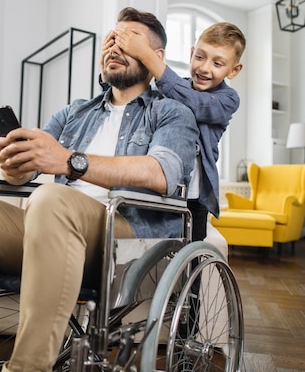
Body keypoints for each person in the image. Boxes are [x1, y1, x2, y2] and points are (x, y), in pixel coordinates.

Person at [0, 6, 199, 372]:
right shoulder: (75, 112)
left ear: (156, 57)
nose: (114, 48)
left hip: (124, 237)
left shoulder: (171, 112)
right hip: (50, 229)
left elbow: (161, 172)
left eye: (128, 41)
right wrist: (15, 164)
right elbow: (31, 168)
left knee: (53, 198)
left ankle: (27, 368)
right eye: (110, 40)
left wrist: (71, 161)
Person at [101, 21, 245, 241]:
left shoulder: (228, 100)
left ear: (233, 70)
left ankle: (192, 275)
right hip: (166, 188)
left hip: (195, 195)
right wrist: (107, 75)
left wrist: (147, 55)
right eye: (200, 57)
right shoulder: (175, 86)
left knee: (191, 251)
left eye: (218, 63)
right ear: (191, 54)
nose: (205, 68)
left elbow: (195, 104)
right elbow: (139, 100)